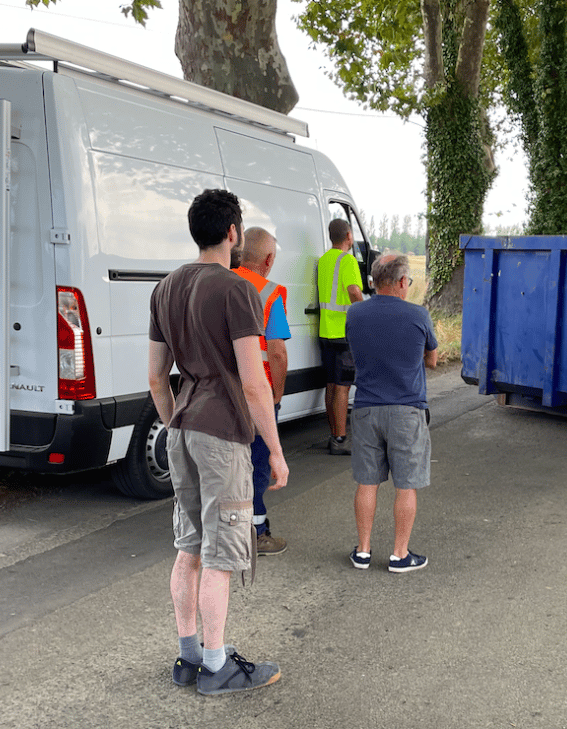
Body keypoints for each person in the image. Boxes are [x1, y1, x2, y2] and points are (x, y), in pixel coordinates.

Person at [148, 189, 289, 696]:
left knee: (189, 547)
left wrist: (173, 425)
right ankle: (216, 665)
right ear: (233, 233)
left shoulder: (164, 289)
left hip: (181, 428)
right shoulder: (236, 290)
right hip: (222, 432)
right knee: (222, 554)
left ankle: (189, 657)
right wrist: (273, 448)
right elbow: (255, 383)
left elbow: (156, 378)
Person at [345, 253, 438, 573]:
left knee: (367, 483)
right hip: (406, 411)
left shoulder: (355, 314)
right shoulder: (419, 315)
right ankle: (400, 554)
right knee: (405, 484)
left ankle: (363, 550)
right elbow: (432, 360)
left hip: (367, 409)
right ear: (401, 282)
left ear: (372, 281)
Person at [233, 227, 290, 556]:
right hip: (257, 395)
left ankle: (225, 529)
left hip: (221, 393)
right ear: (268, 260)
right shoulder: (268, 293)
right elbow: (277, 353)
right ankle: (256, 533)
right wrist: (276, 398)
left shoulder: (219, 283)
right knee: (257, 465)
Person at [318, 218, 365, 455]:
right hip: (344, 333)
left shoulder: (324, 260)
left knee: (331, 385)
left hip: (325, 331)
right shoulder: (347, 260)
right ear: (348, 235)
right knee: (343, 387)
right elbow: (354, 291)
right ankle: (340, 438)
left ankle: (333, 434)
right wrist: (365, 311)